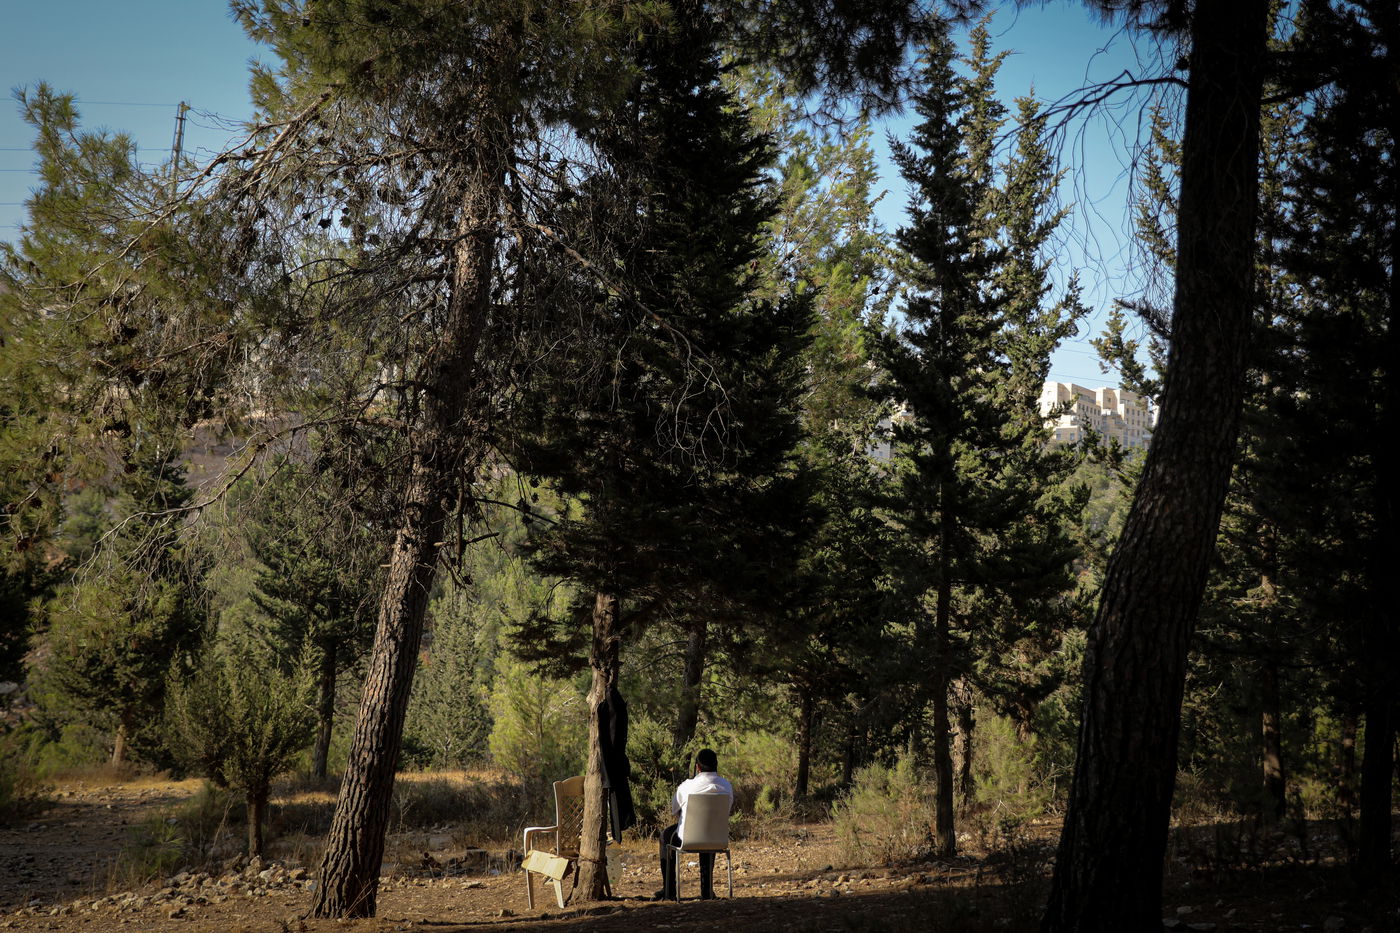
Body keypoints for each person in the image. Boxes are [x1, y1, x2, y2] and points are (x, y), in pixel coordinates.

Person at [657, 748, 733, 900]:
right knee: (709, 833)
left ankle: (669, 890)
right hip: (717, 838)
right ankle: (707, 890)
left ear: (697, 767)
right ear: (716, 764)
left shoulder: (687, 786)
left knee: (665, 836)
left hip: (689, 837)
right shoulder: (727, 786)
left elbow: (674, 810)